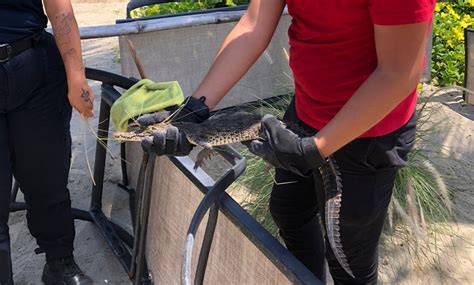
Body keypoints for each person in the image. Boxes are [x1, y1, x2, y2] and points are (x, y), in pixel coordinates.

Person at [139, 0, 435, 284]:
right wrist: (194, 109)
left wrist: (317, 148)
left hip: (368, 134)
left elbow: (399, 74)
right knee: (290, 212)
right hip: (306, 112)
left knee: (348, 261)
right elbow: (254, 25)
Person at [0, 0, 94, 284]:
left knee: (47, 176)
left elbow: (60, 9)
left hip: (35, 68)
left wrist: (76, 75)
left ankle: (59, 262)